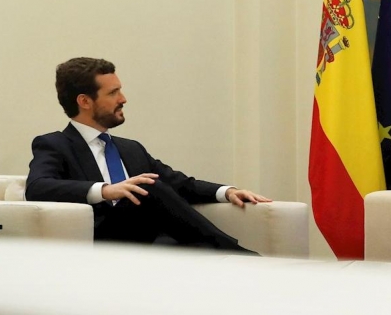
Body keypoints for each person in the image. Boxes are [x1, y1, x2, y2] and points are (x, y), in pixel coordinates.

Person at [26, 57, 271, 253]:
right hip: (103, 240)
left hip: (148, 240)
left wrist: (227, 192)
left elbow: (179, 184)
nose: (123, 99)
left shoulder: (131, 148)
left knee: (194, 249)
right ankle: (239, 256)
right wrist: (106, 190)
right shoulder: (55, 144)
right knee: (149, 186)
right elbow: (38, 187)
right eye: (113, 93)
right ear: (85, 101)